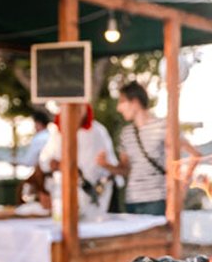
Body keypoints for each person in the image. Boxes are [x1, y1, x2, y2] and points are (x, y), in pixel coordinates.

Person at [101, 81, 200, 216]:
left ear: (135, 102)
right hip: (132, 202)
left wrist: (182, 188)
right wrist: (105, 165)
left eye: (122, 102)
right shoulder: (126, 133)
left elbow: (195, 155)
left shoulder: (163, 126)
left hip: (158, 201)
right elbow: (125, 169)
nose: (119, 108)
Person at [39, 104, 119, 217]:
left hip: (94, 198)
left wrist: (105, 170)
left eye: (79, 109)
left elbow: (111, 167)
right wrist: (56, 164)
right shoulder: (57, 133)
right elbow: (45, 162)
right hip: (64, 195)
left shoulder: (98, 132)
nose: (76, 113)